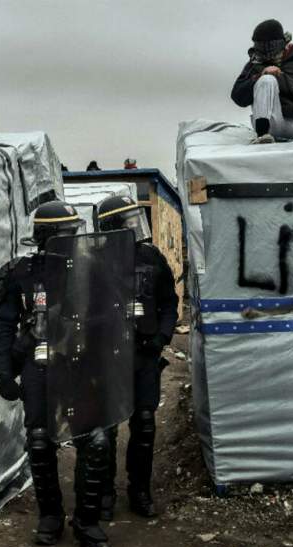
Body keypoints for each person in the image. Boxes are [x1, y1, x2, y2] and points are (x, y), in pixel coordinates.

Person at [0, 201, 113, 547]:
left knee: (96, 441)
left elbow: (110, 318)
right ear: (46, 238)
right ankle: (50, 516)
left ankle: (87, 522)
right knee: (41, 441)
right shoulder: (20, 273)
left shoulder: (90, 270)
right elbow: (3, 326)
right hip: (39, 366)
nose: (74, 239)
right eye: (66, 234)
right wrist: (3, 370)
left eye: (74, 233)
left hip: (80, 365)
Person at [94, 195, 178, 521]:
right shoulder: (93, 261)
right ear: (112, 228)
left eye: (134, 220)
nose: (134, 227)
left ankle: (139, 490)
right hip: (108, 358)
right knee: (107, 429)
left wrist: (161, 338)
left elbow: (169, 302)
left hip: (144, 355)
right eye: (127, 222)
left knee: (143, 425)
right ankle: (104, 493)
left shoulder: (152, 257)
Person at [230, 19, 293, 144]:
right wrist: (259, 76)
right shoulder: (253, 65)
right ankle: (263, 135)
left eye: (273, 51)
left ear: (283, 44)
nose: (269, 57)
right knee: (267, 80)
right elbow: (238, 97)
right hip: (269, 122)